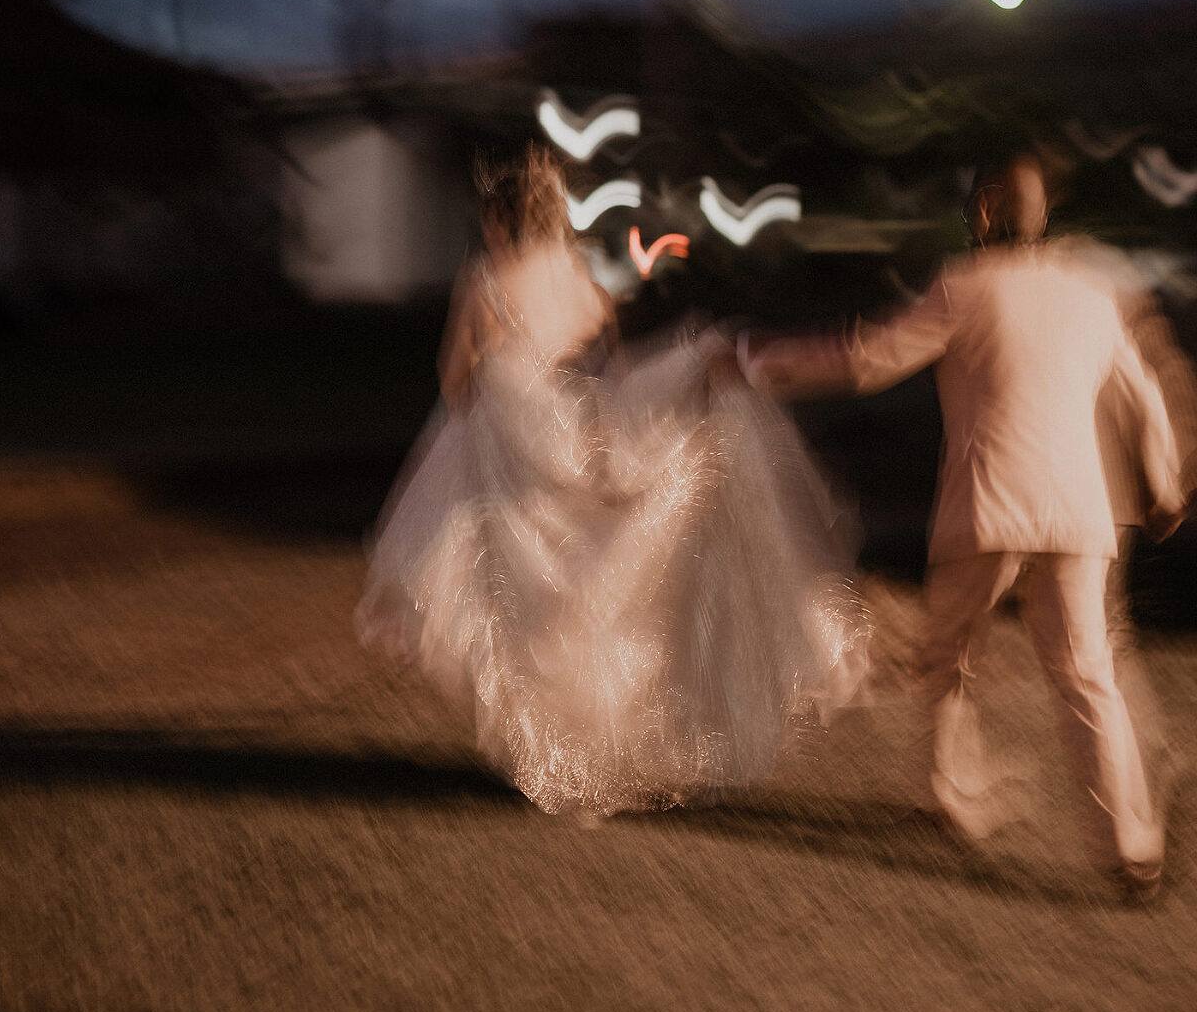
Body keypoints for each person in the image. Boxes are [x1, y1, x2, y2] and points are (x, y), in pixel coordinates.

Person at [357, 145, 863, 817]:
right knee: (599, 584)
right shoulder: (579, 276)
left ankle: (549, 745)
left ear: (499, 222)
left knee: (517, 596)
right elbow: (607, 367)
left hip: (515, 461)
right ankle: (608, 734)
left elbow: (455, 379)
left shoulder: (485, 279)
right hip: (579, 436)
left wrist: (492, 393)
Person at [746, 150, 1185, 905]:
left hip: (990, 506)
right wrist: (1165, 486)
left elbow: (868, 361)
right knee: (1087, 675)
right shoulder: (1091, 293)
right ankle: (1131, 850)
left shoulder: (967, 286)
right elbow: (1142, 395)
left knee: (946, 655)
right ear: (1041, 216)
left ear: (983, 210)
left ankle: (945, 793)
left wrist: (760, 362)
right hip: (1078, 513)